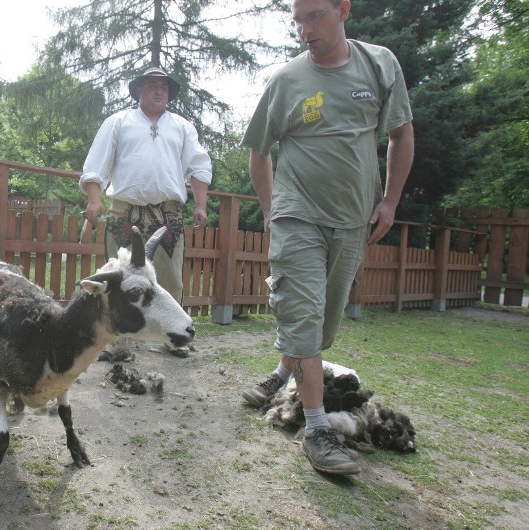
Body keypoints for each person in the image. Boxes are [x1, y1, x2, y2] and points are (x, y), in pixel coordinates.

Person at [240, 0, 414, 475]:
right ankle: (318, 429)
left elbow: (400, 133)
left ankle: (282, 374)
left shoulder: (379, 64)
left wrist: (389, 201)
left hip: (353, 219)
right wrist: (274, 208)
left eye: (314, 16)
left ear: (343, 9)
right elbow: (259, 151)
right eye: (297, 20)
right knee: (302, 311)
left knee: (321, 328)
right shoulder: (286, 81)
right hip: (298, 216)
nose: (303, 29)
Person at [80, 66, 211, 359]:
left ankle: (174, 338)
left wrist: (200, 204)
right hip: (123, 213)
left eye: (164, 86)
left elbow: (199, 166)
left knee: (172, 280)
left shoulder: (182, 126)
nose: (159, 90)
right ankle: (117, 344)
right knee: (119, 283)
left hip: (168, 216)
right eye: (152, 85)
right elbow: (95, 165)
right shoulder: (118, 122)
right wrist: (94, 199)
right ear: (138, 90)